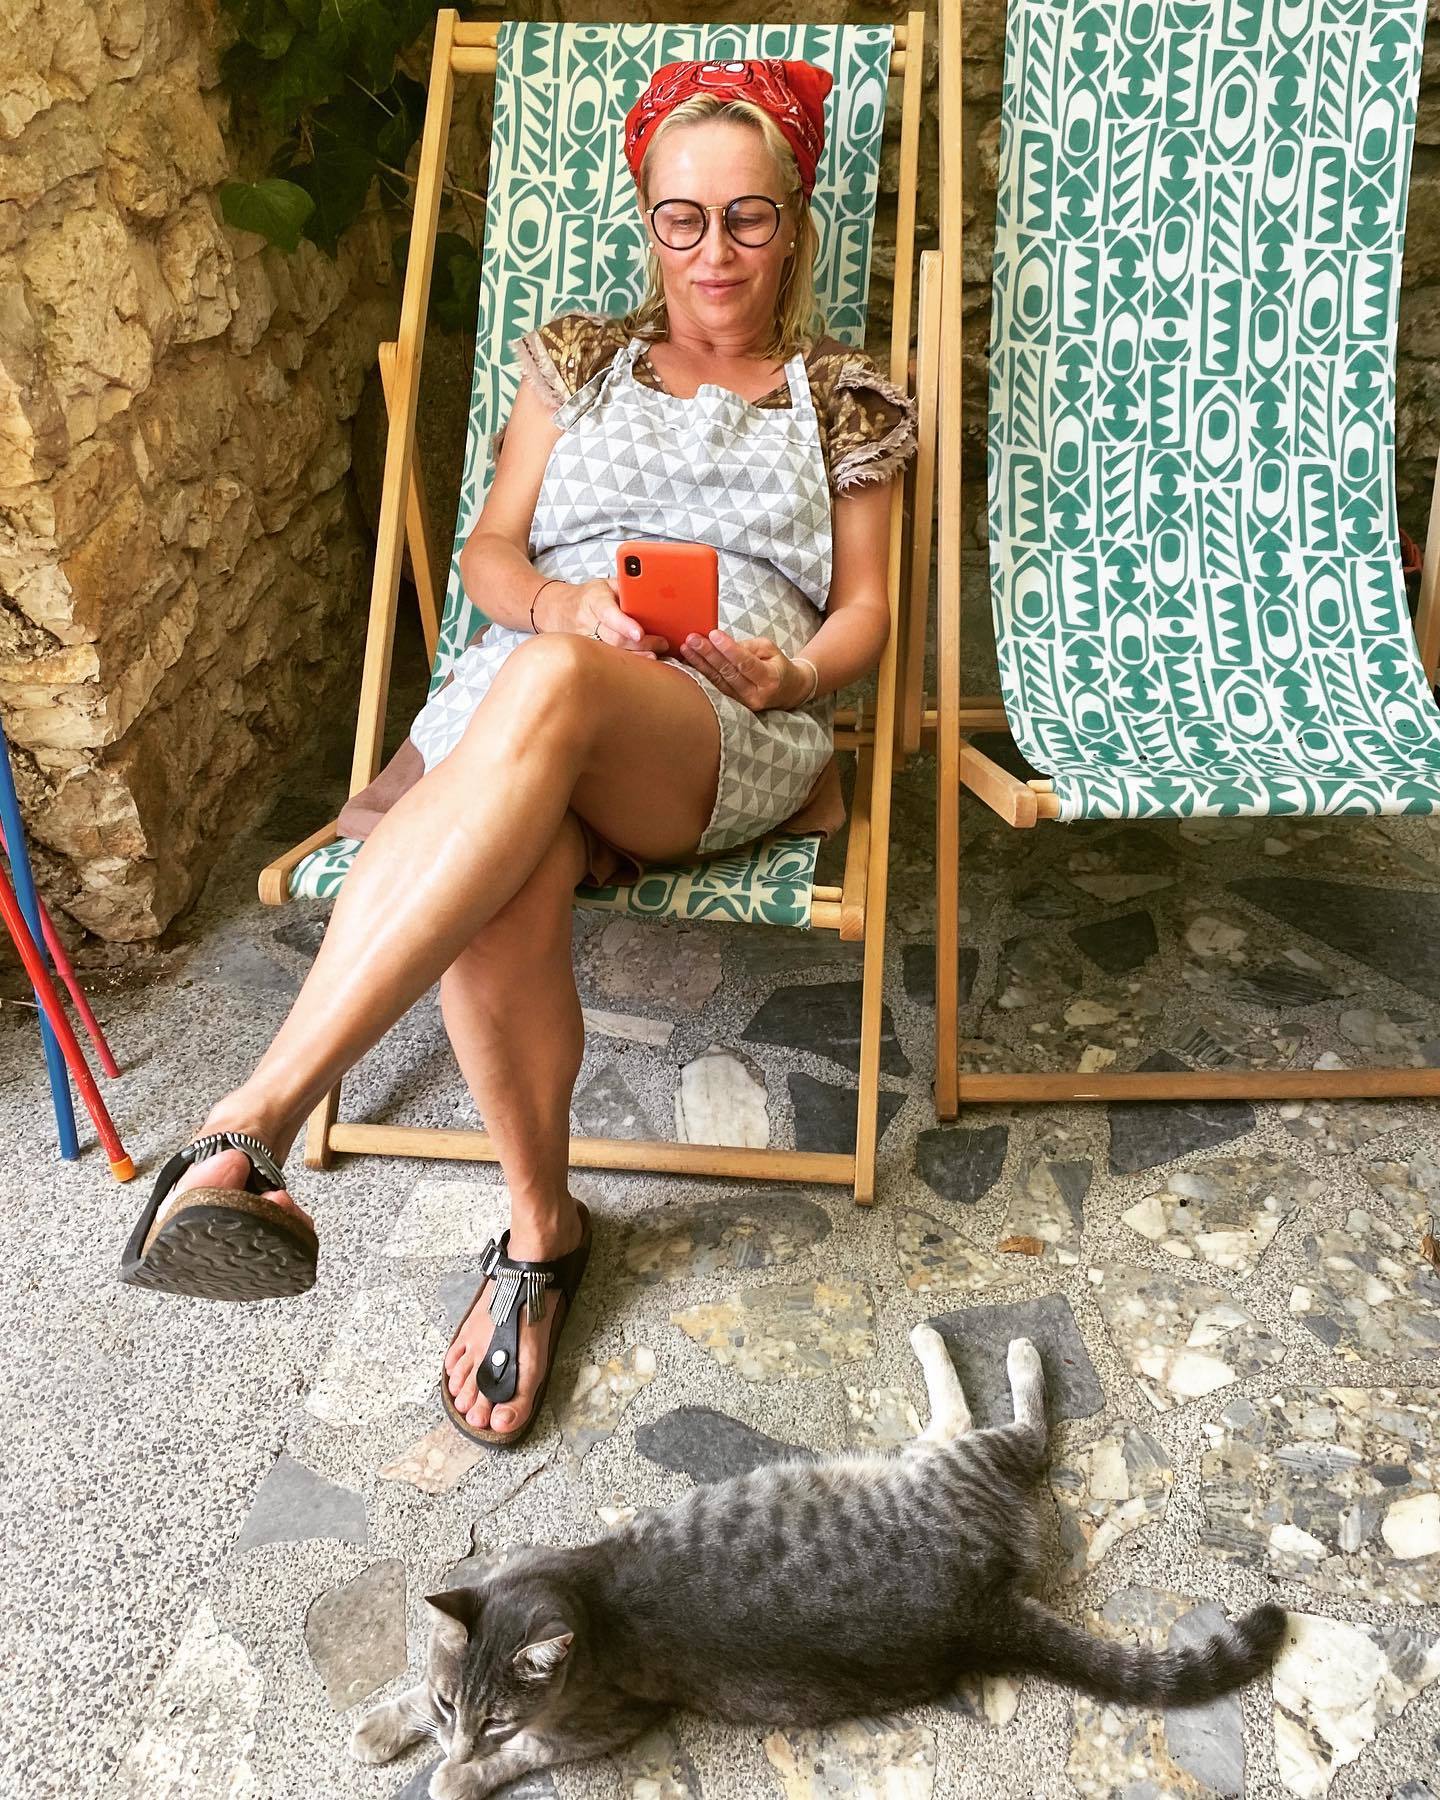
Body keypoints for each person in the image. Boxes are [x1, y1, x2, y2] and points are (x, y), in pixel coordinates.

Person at [119, 57, 918, 1450]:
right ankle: (542, 1234)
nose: (715, 253)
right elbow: (492, 551)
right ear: (648, 222)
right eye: (683, 219)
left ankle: (252, 1118)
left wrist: (793, 671)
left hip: (714, 726)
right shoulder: (577, 362)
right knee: (508, 867)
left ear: (793, 220)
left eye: (748, 218)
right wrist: (559, 604)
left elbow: (867, 614)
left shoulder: (844, 396)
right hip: (520, 701)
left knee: (551, 684)